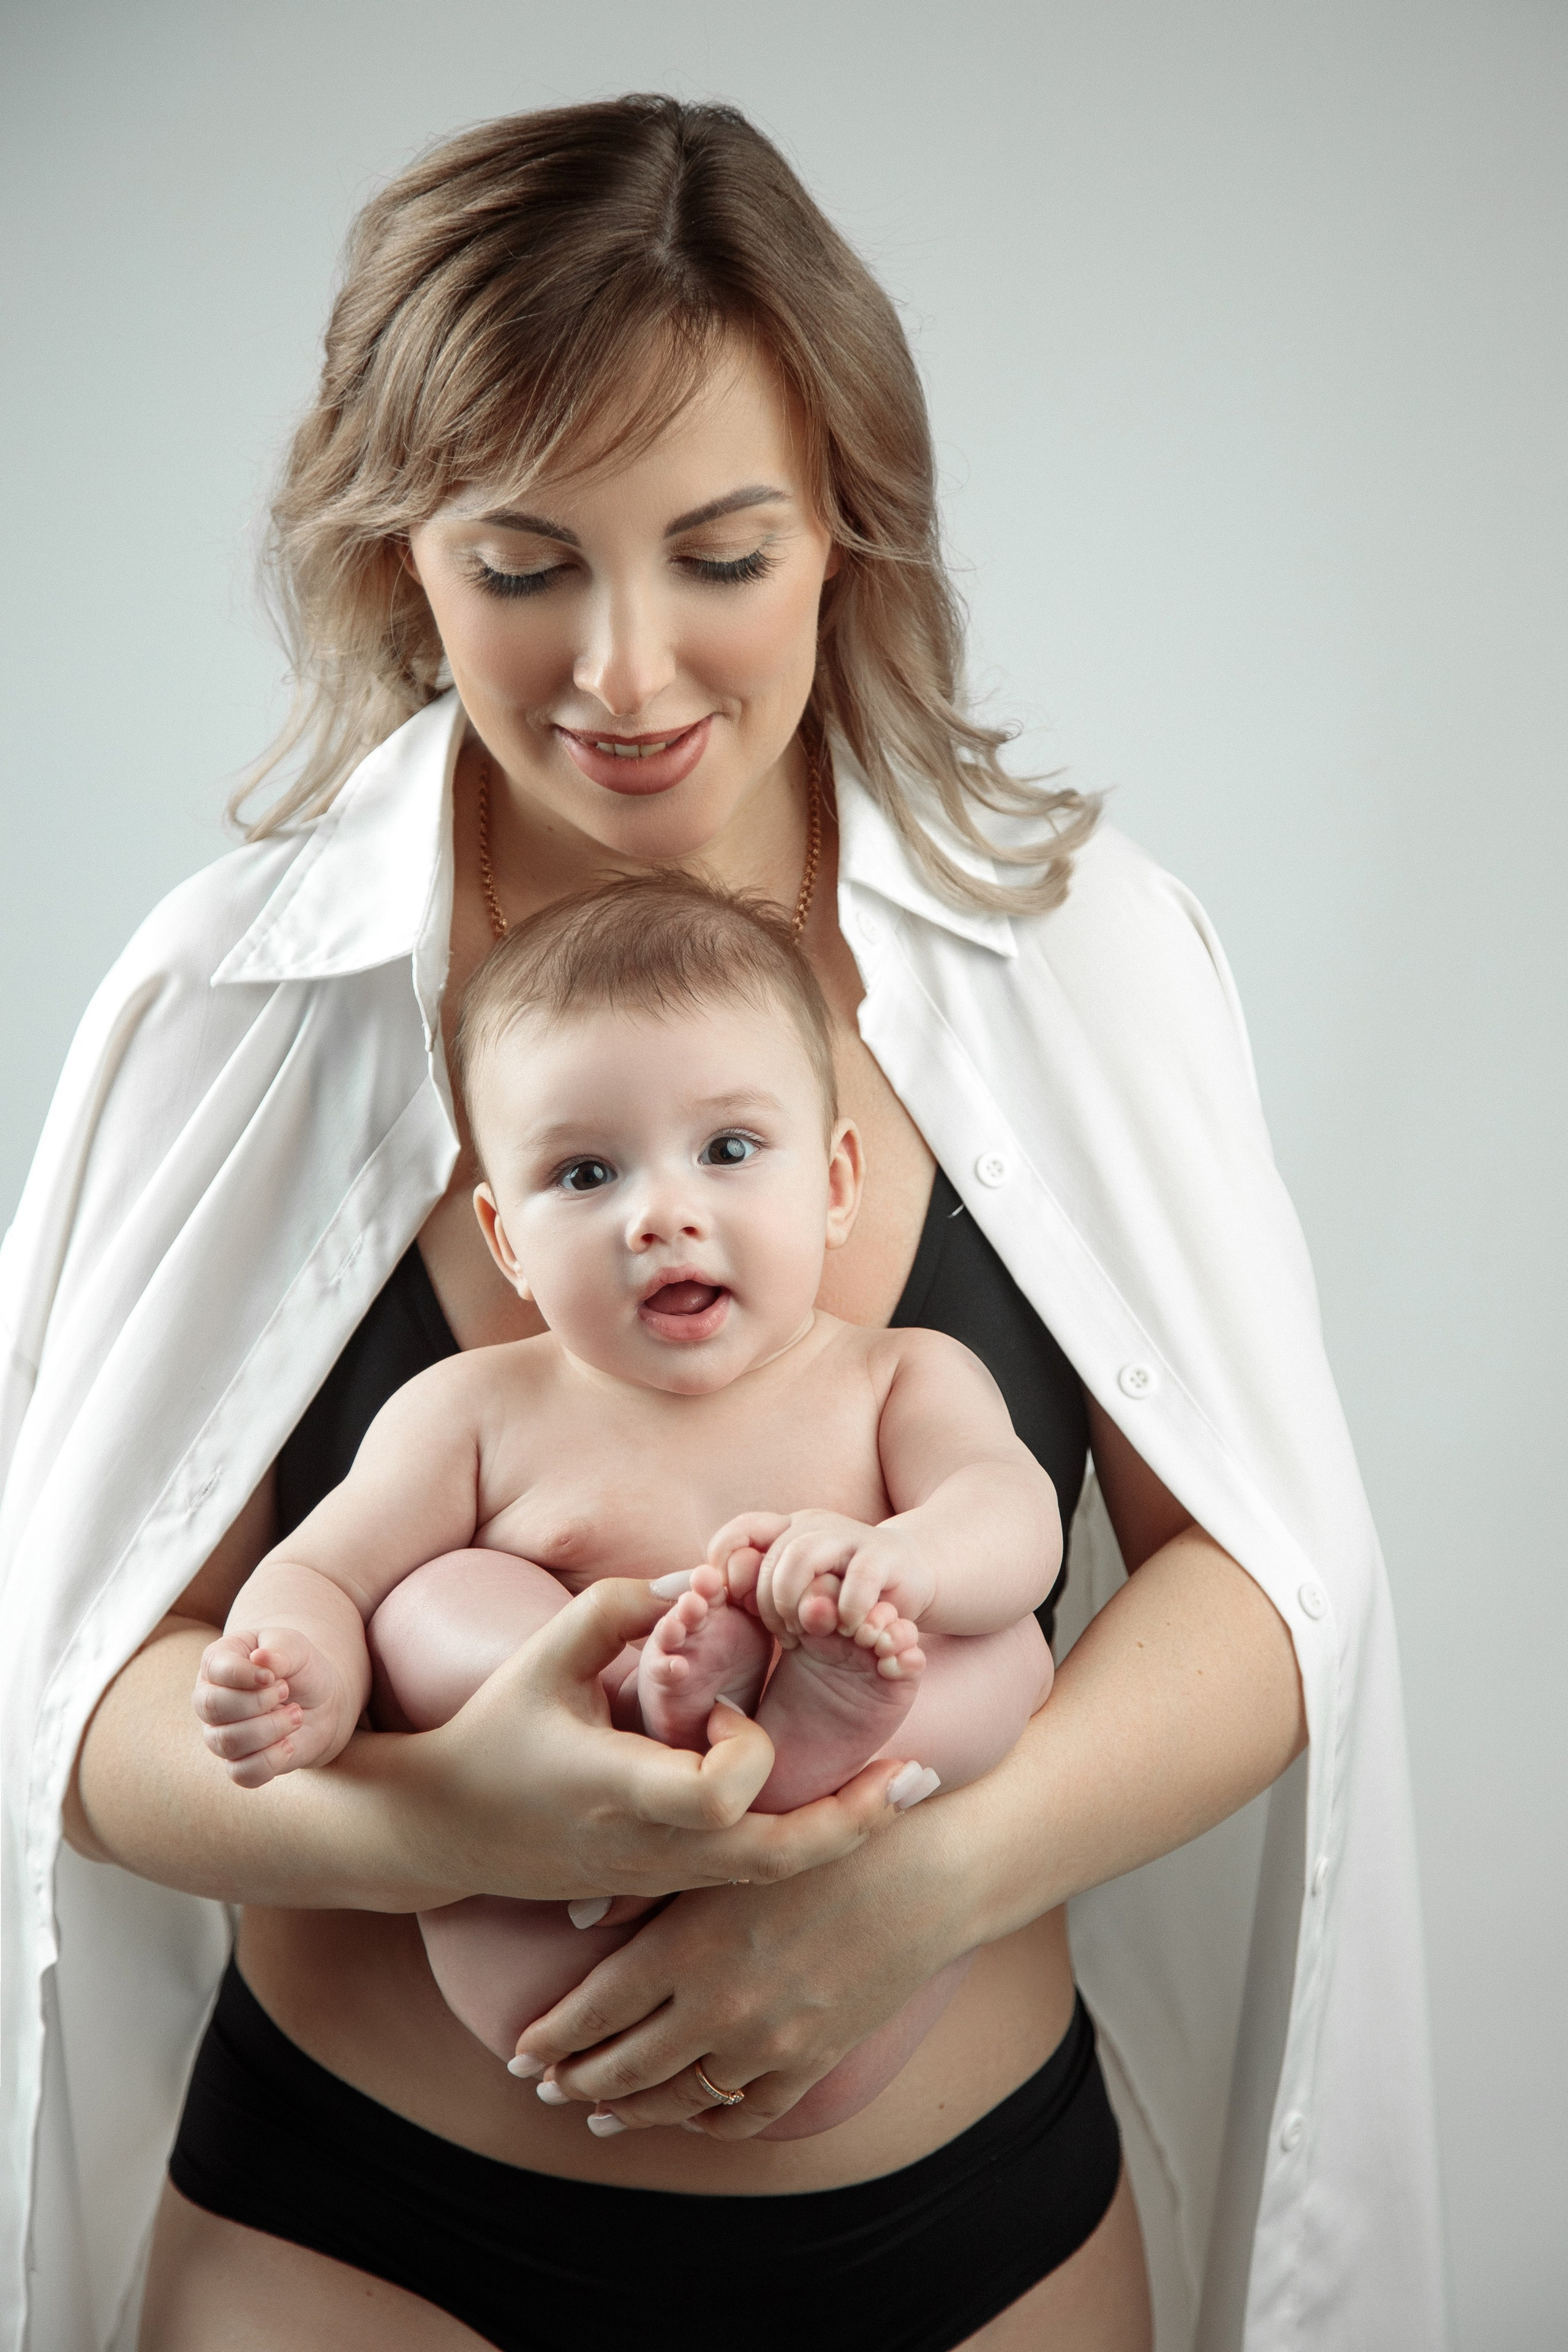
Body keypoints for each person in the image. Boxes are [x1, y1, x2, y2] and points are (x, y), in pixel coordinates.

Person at [0, 94, 1444, 2352]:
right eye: (527, 562)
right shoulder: (235, 1012)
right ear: (406, 558)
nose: (630, 671)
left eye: (721, 552)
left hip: (963, 2244)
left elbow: (1271, 1594)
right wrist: (445, 1823)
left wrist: (919, 1893)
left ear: (850, 534)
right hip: (364, 2237)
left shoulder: (1074, 962)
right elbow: (82, 1694)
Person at [194, 876, 1058, 2124]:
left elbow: (1011, 1516)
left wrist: (897, 1565)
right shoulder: (475, 1411)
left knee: (1002, 1641)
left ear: (833, 1181)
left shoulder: (895, 1379)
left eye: (727, 1149)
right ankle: (645, 1717)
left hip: (830, 1943)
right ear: (506, 1239)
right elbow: (325, 1572)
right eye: (586, 1172)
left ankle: (784, 1740)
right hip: (549, 1928)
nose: (662, 1213)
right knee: (436, 1597)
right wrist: (295, 1671)